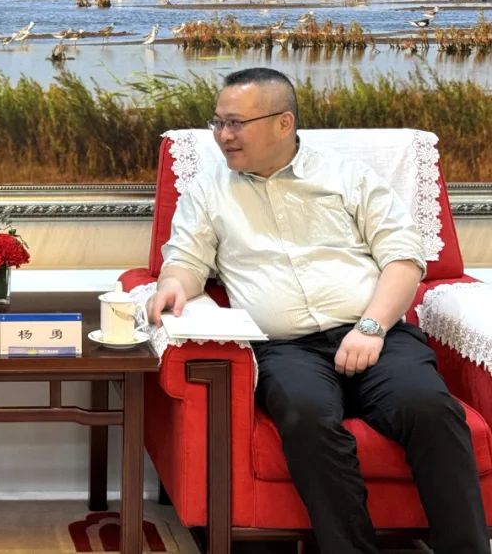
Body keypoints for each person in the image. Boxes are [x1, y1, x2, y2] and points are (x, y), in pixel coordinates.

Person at [147, 67, 488, 553]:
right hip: (286, 350)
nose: (223, 135)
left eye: (236, 123)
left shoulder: (347, 176)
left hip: (378, 334)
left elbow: (404, 258)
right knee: (306, 416)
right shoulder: (208, 190)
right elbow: (185, 260)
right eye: (217, 123)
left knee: (430, 410)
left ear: (283, 123)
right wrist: (171, 286)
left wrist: (371, 327)